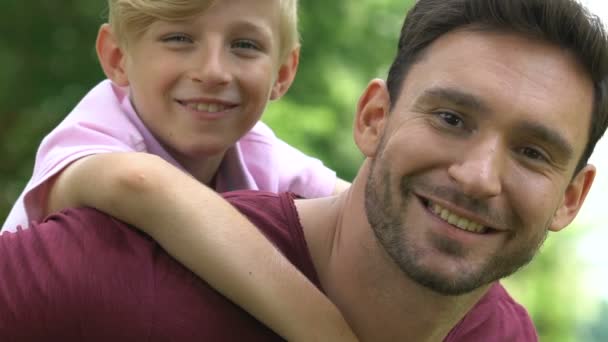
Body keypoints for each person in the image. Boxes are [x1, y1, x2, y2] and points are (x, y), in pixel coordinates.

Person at [2, 0, 608, 340]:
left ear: (573, 198)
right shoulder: (104, 248)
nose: (477, 178)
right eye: (450, 118)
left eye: (532, 151)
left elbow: (345, 197)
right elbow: (141, 184)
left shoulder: (505, 333)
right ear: (372, 119)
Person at [1, 0, 355, 341]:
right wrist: (328, 332)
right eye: (179, 39)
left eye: (245, 45)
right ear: (117, 57)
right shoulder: (93, 133)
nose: (213, 71)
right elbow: (141, 185)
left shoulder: (259, 153)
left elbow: (358, 210)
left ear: (283, 72)